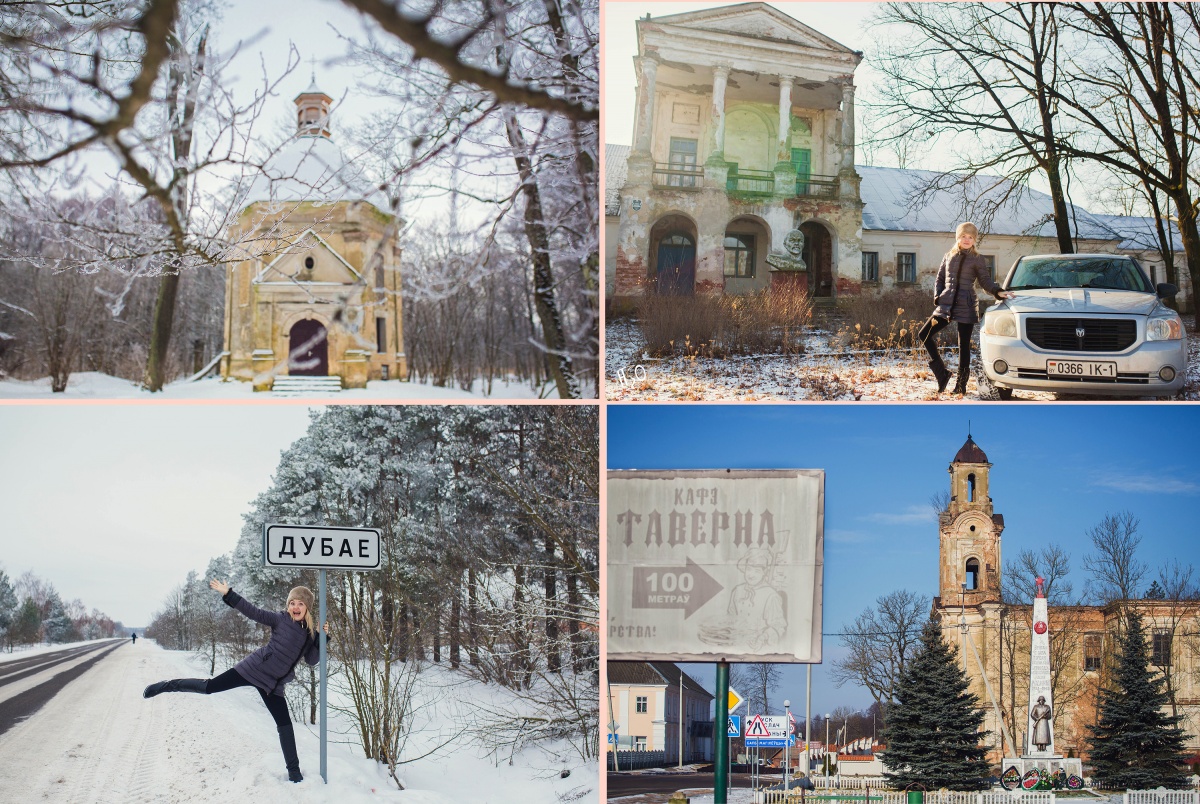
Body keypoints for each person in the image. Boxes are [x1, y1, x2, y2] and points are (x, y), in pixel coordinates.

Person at [143, 580, 328, 783]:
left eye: (300, 604)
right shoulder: (279, 619)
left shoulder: (310, 633)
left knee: (285, 726)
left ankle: (294, 773)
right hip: (253, 669)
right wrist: (229, 594)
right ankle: (166, 686)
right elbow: (253, 612)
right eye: (292, 603)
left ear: (307, 607)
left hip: (273, 685)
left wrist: (322, 637)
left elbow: (311, 660)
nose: (295, 607)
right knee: (209, 687)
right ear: (288, 606)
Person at [917, 222, 1013, 395]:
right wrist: (938, 296)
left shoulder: (978, 259)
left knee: (963, 347)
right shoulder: (948, 256)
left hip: (966, 305)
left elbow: (985, 281)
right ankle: (942, 374)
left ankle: (960, 385)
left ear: (974, 240)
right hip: (946, 304)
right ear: (958, 238)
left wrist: (998, 291)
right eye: (964, 236)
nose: (967, 240)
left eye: (970, 237)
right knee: (924, 334)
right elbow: (939, 279)